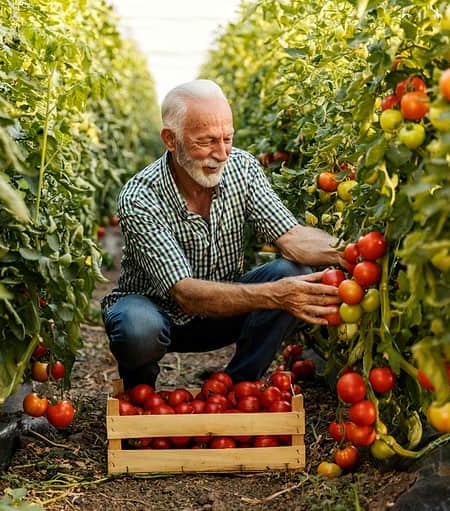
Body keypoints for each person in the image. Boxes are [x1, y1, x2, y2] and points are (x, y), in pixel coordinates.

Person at [101, 79, 346, 390]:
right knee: (137, 327)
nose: (221, 153)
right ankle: (140, 394)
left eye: (227, 139)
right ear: (171, 140)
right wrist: (275, 294)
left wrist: (350, 251)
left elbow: (292, 238)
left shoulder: (242, 168)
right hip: (158, 313)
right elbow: (184, 294)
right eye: (206, 142)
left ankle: (236, 388)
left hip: (225, 310)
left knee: (294, 271)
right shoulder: (140, 196)